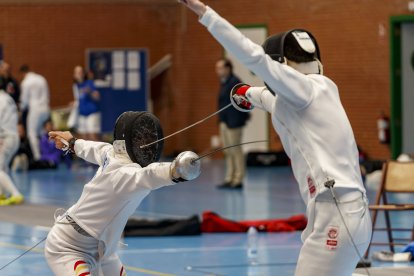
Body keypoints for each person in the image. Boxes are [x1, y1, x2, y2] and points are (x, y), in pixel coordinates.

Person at [179, 1, 372, 276]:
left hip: (336, 215)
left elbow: (254, 58)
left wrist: (206, 15)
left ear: (280, 65)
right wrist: (245, 93)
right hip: (344, 213)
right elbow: (270, 99)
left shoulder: (303, 90)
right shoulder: (319, 89)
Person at [45, 111, 201, 275]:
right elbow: (150, 175)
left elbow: (90, 148)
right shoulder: (126, 174)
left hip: (104, 251)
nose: (148, 145)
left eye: (150, 140)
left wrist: (71, 141)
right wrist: (173, 171)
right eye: (141, 139)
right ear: (128, 142)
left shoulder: (111, 153)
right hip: (67, 247)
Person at [215, 58, 249, 189]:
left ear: (228, 69)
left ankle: (238, 179)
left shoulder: (235, 83)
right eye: (217, 68)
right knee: (228, 152)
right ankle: (229, 178)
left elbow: (242, 103)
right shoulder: (223, 83)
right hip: (224, 123)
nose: (218, 71)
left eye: (220, 68)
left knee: (236, 151)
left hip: (234, 124)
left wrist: (236, 121)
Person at [0, 77, 24, 205]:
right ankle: (2, 195)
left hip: (5, 137)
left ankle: (16, 194)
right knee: (3, 167)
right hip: (14, 137)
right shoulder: (8, 98)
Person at [20, 64, 50, 161]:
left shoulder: (26, 82)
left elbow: (24, 101)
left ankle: (38, 157)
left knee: (32, 134)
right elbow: (47, 94)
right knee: (42, 133)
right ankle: (46, 153)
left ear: (23, 73)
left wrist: (20, 109)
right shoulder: (42, 78)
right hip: (45, 108)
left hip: (35, 109)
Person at [72, 65, 101, 141]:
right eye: (76, 72)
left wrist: (91, 92)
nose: (78, 74)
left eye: (80, 72)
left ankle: (99, 152)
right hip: (81, 114)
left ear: (83, 74)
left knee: (92, 136)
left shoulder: (89, 83)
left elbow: (97, 97)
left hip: (91, 113)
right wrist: (74, 104)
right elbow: (78, 100)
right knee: (82, 137)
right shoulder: (76, 86)